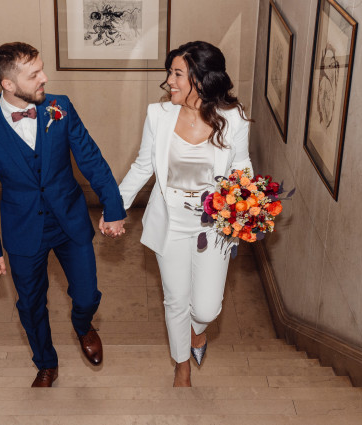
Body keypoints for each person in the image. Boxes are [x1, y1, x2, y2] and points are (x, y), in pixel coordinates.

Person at [0, 42, 126, 388]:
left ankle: (83, 325)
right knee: (31, 304)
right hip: (23, 229)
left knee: (87, 295)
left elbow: (92, 160)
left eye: (42, 69)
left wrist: (113, 208)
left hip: (69, 218)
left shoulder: (60, 107)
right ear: (8, 84)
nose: (45, 77)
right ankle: (45, 362)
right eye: (34, 74)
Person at [109, 41, 253, 387]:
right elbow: (143, 166)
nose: (169, 81)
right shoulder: (158, 115)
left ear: (201, 79)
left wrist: (249, 203)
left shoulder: (234, 119)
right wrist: (116, 206)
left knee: (205, 309)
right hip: (170, 223)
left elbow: (241, 165)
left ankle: (197, 333)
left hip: (213, 227)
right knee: (175, 299)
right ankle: (182, 365)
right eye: (170, 73)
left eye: (177, 73)